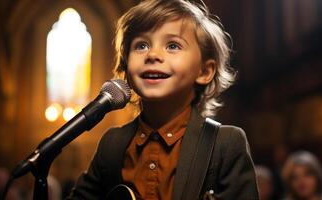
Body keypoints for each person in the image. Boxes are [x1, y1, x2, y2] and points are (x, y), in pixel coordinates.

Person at [67, 0, 258, 199]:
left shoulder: (225, 144)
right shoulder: (113, 143)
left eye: (173, 45)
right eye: (141, 45)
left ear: (204, 71)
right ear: (125, 67)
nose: (153, 54)